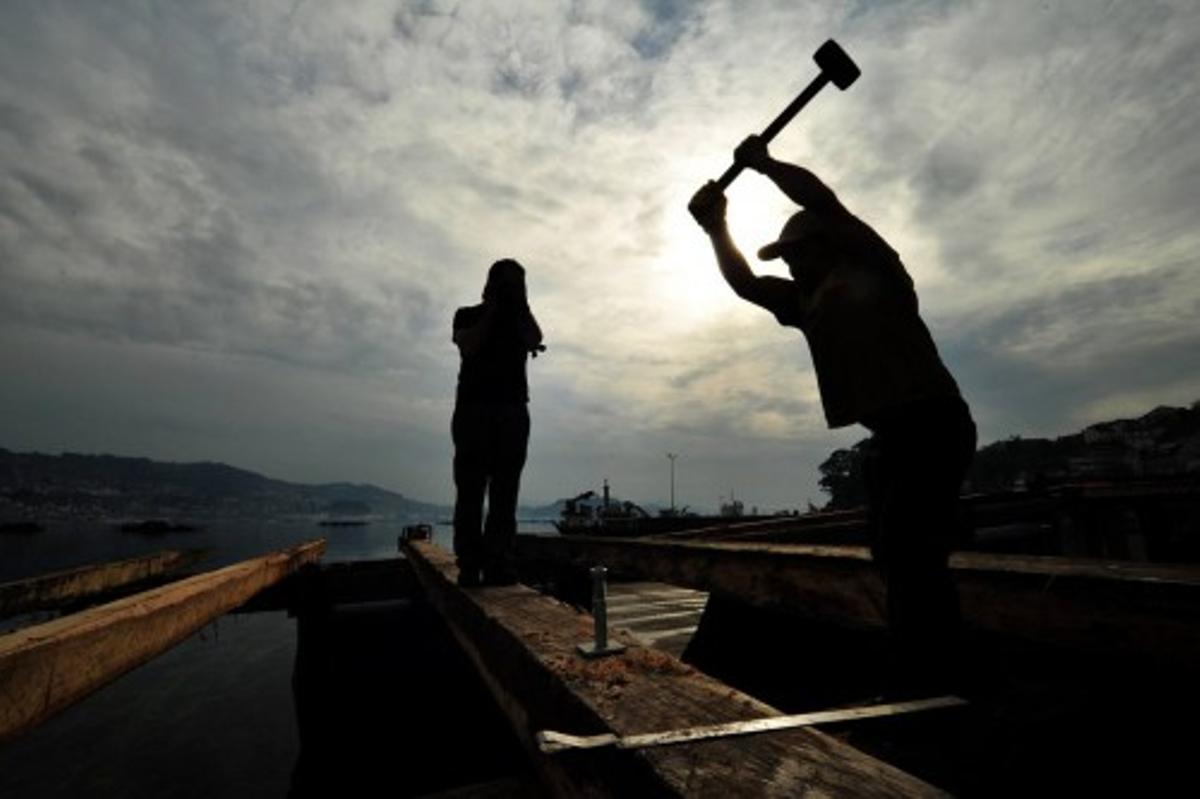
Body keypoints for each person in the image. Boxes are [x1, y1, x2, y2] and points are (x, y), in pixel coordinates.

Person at [688, 136, 976, 697]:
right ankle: (922, 669)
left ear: (828, 245)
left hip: (934, 423)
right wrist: (716, 229)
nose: (791, 264)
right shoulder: (804, 302)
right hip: (890, 438)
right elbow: (747, 283)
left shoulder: (875, 267)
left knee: (912, 553)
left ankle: (934, 678)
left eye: (798, 254)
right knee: (894, 554)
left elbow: (824, 202)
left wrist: (765, 165)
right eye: (787, 259)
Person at [451, 258, 544, 587]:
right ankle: (469, 565)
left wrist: (522, 305)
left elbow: (535, 338)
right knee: (471, 492)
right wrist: (492, 310)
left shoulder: (520, 321)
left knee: (506, 494)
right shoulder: (467, 314)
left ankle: (499, 564)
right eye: (505, 283)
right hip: (474, 413)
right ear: (489, 285)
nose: (510, 290)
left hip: (513, 413)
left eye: (517, 284)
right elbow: (470, 345)